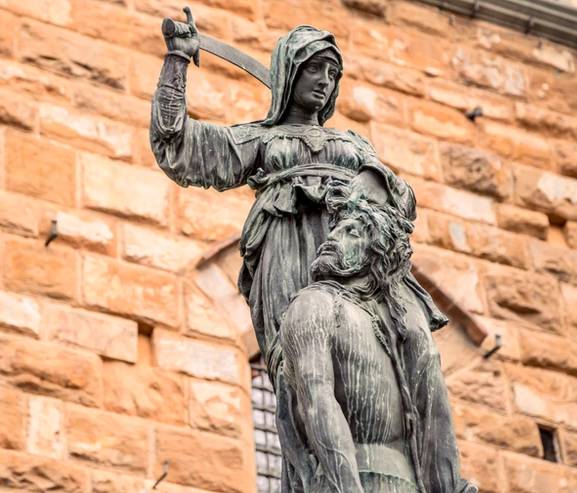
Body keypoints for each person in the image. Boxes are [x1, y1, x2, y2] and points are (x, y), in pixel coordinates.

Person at [150, 10, 451, 492]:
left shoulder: (353, 144)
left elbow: (402, 200)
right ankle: (314, 477)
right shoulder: (260, 140)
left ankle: (442, 476)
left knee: (416, 341)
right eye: (315, 69)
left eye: (333, 74)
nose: (325, 82)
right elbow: (178, 147)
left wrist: (369, 188)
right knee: (300, 371)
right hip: (288, 252)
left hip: (359, 257)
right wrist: (177, 61)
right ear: (291, 71)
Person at [281, 177, 477, 493]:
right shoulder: (315, 303)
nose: (331, 237)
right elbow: (316, 399)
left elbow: (434, 420)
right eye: (335, 229)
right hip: (348, 481)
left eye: (350, 232)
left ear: (376, 253)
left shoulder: (402, 330)